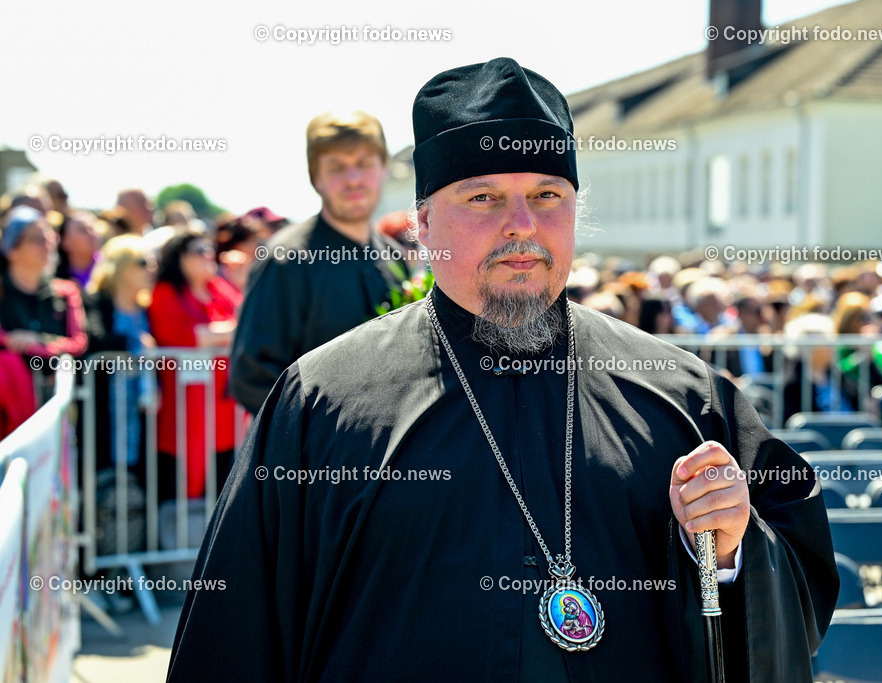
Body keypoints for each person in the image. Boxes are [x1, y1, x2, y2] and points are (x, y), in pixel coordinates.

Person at [168, 58, 838, 682]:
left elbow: (795, 597)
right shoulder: (321, 402)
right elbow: (234, 638)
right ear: (425, 225)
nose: (523, 225)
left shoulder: (683, 395)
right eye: (484, 198)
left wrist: (731, 553)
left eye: (547, 195)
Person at [228, 110, 406, 415]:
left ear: (383, 169)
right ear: (316, 178)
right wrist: (323, 437)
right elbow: (252, 376)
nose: (353, 179)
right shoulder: (286, 259)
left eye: (364, 164)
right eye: (336, 167)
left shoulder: (393, 255)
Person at [148, 231, 241, 501]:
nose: (207, 255)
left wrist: (213, 334)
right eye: (198, 251)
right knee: (180, 490)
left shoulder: (219, 288)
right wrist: (227, 333)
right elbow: (184, 336)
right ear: (179, 259)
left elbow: (247, 322)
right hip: (183, 409)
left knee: (223, 482)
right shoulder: (165, 292)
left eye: (208, 249)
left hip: (222, 409)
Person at [84, 235, 158, 472]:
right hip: (105, 405)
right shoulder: (96, 301)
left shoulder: (146, 308)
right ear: (122, 267)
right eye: (143, 262)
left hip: (139, 406)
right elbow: (95, 339)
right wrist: (134, 342)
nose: (151, 269)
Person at [0, 206, 88, 371]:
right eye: (36, 239)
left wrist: (36, 341)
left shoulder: (66, 291)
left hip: (54, 392)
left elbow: (78, 344)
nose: (46, 246)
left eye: (49, 238)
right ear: (11, 249)